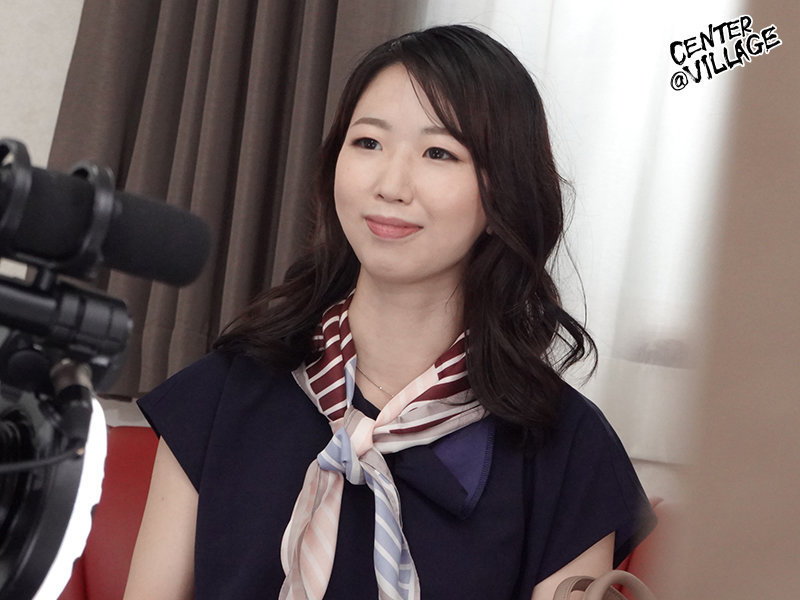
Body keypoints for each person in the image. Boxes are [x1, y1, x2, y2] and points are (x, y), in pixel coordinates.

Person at [123, 24, 655, 600]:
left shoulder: (568, 451)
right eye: (368, 143)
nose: (391, 185)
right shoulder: (219, 396)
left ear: (503, 192)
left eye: (438, 152)